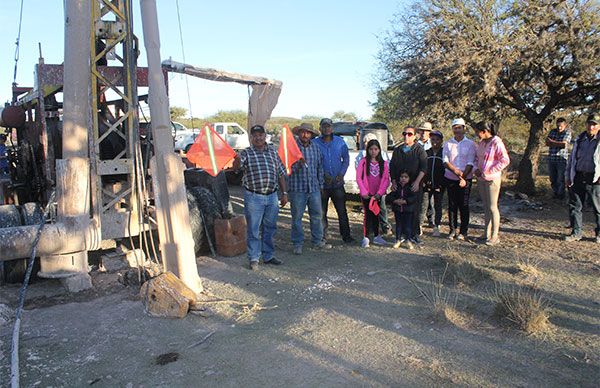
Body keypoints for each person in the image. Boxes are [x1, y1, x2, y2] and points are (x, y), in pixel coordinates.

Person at [234, 125, 287, 270]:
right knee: (254, 229)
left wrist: (284, 194)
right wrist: (237, 160)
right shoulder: (246, 153)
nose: (258, 138)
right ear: (251, 138)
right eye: (255, 135)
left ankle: (268, 256)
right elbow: (236, 168)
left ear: (265, 136)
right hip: (254, 197)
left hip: (272, 197)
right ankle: (254, 258)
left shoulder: (273, 152)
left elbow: (281, 173)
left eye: (260, 135)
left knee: (270, 227)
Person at [288, 123, 331, 255]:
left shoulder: (316, 148)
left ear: (311, 135)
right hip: (297, 188)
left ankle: (317, 241)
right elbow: (286, 169)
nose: (305, 135)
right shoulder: (292, 149)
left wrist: (321, 185)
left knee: (317, 216)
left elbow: (319, 168)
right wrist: (298, 165)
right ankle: (297, 243)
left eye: (308, 133)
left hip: (314, 188)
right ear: (299, 133)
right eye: (302, 132)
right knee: (297, 217)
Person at [314, 118, 354, 243]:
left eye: (328, 126)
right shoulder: (314, 143)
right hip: (322, 184)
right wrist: (322, 174)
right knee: (321, 212)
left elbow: (346, 159)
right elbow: (312, 162)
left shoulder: (340, 142)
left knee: (342, 211)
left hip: (337, 183)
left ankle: (346, 237)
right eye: (324, 126)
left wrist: (341, 174)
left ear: (332, 128)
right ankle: (322, 236)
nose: (326, 129)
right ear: (320, 128)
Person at [564, 113, 600, 243]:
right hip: (578, 176)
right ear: (586, 124)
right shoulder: (580, 139)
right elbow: (572, 159)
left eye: (594, 124)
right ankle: (576, 232)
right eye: (589, 124)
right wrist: (568, 175)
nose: (591, 127)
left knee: (598, 207)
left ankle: (599, 234)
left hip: (595, 179)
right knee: (575, 205)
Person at [473, 121, 510, 246]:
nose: (476, 134)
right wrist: (476, 169)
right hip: (481, 179)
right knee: (486, 206)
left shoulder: (496, 142)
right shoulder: (482, 143)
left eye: (478, 131)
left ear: (484, 131)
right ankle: (486, 233)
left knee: (493, 207)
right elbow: (477, 158)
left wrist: (489, 171)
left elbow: (504, 160)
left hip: (492, 179)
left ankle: (495, 235)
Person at [390, 126, 427, 243]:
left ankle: (413, 235)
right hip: (400, 186)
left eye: (410, 134)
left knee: (414, 210)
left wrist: (417, 182)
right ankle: (401, 235)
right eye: (404, 133)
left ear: (415, 136)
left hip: (414, 185)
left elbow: (424, 167)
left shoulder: (419, 149)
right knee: (400, 210)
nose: (406, 136)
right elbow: (392, 167)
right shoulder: (398, 150)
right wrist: (394, 181)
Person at [443, 118, 477, 240]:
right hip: (450, 178)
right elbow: (445, 161)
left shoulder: (471, 144)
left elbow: (470, 161)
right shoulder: (448, 143)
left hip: (465, 178)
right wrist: (456, 172)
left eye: (459, 127)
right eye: (455, 128)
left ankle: (463, 231)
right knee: (452, 205)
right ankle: (452, 230)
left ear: (464, 128)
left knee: (464, 205)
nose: (457, 130)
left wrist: (462, 176)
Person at [355, 132, 392, 235]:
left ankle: (377, 236)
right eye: (371, 149)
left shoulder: (383, 163)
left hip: (378, 194)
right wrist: (364, 192)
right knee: (367, 215)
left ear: (379, 150)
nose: (373, 151)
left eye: (375, 149)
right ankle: (366, 237)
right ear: (367, 150)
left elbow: (386, 179)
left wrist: (380, 193)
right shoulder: (363, 162)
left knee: (377, 213)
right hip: (367, 194)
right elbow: (359, 178)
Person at [422, 130, 445, 237]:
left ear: (441, 140)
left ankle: (437, 225)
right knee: (425, 204)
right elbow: (424, 169)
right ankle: (420, 226)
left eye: (437, 139)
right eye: (433, 139)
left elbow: (445, 170)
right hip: (427, 183)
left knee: (437, 204)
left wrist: (440, 184)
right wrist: (425, 181)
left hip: (439, 184)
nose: (435, 141)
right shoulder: (427, 153)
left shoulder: (444, 152)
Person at [389, 171, 417, 249]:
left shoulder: (411, 187)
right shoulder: (396, 187)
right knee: (398, 225)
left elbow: (414, 197)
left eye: (406, 177)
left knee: (408, 226)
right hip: (398, 210)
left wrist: (406, 201)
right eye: (402, 177)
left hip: (408, 210)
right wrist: (395, 201)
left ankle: (408, 240)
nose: (403, 179)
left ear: (409, 178)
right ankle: (398, 240)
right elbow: (390, 196)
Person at [545, 117, 571, 199]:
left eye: (561, 126)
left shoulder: (567, 133)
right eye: (558, 126)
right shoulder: (553, 131)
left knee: (560, 178)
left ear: (565, 125)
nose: (559, 128)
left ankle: (561, 195)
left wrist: (552, 142)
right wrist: (556, 143)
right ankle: (555, 193)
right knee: (552, 178)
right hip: (551, 158)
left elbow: (564, 144)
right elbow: (547, 142)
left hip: (561, 159)